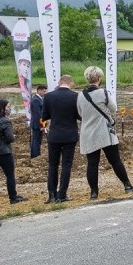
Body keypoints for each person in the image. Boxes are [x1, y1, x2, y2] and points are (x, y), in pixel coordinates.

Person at [77, 66, 133, 199]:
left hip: (88, 133)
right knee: (115, 160)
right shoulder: (103, 93)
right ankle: (127, 185)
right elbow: (113, 108)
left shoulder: (80, 95)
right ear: (99, 78)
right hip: (104, 131)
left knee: (92, 163)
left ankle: (94, 192)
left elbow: (80, 113)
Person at [41, 74, 81, 203]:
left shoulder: (48, 96)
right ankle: (62, 194)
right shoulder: (76, 96)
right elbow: (80, 116)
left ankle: (51, 194)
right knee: (66, 165)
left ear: (59, 82)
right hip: (70, 134)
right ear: (71, 83)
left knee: (53, 165)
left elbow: (45, 116)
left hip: (55, 134)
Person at [29, 84, 47, 158]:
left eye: (45, 91)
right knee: (36, 140)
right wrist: (41, 125)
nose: (44, 93)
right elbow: (37, 115)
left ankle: (36, 154)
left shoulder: (38, 99)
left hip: (37, 123)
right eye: (43, 91)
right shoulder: (36, 100)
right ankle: (35, 155)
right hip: (37, 124)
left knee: (37, 140)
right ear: (39, 90)